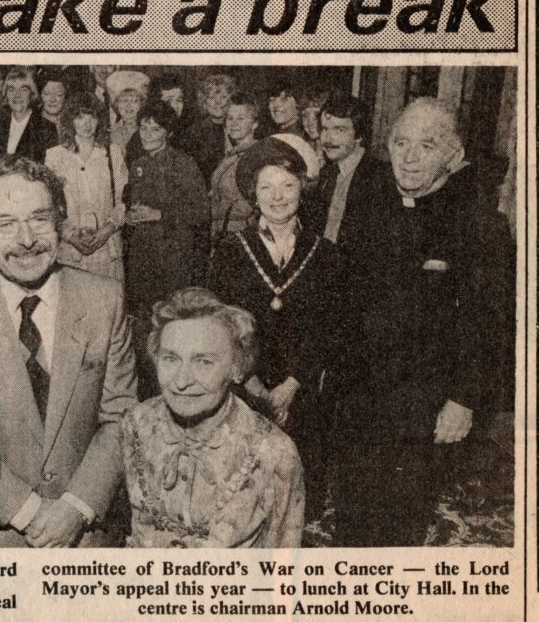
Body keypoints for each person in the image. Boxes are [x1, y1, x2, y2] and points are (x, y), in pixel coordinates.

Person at [0, 156, 137, 547]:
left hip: (85, 537)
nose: (26, 240)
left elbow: (121, 415)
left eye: (39, 219)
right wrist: (28, 511)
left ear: (60, 221)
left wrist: (75, 507)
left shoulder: (105, 300)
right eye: (5, 223)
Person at [333, 98, 513, 547]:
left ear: (453, 157)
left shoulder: (480, 224)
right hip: (361, 390)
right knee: (352, 510)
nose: (409, 157)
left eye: (427, 145)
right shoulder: (372, 202)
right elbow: (347, 294)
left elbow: (488, 323)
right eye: (400, 142)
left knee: (399, 517)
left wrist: (463, 399)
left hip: (425, 402)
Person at [207, 134, 346, 520]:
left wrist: (290, 387)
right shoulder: (232, 250)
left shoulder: (327, 255)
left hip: (301, 392)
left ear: (303, 186)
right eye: (267, 187)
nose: (278, 196)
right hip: (245, 389)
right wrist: (252, 385)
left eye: (288, 185)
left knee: (296, 506)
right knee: (243, 503)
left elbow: (329, 328)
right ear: (254, 193)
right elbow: (221, 323)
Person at [122, 287, 305, 548]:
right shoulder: (135, 424)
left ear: (238, 368)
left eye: (203, 362)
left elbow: (283, 570)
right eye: (171, 359)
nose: (182, 381)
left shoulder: (275, 453)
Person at [124, 100, 210, 323]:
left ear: (168, 133)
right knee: (144, 322)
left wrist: (160, 215)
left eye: (155, 129)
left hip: (173, 258)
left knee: (173, 321)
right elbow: (135, 205)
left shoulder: (184, 163)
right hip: (143, 258)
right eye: (143, 128)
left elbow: (201, 212)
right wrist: (131, 217)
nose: (147, 135)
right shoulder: (137, 165)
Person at [44, 93, 128, 282]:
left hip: (107, 250)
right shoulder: (55, 157)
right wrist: (71, 235)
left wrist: (106, 230)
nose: (87, 123)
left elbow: (124, 200)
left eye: (92, 117)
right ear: (70, 121)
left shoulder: (112, 153)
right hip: (70, 252)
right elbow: (48, 205)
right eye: (80, 117)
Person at [305, 94, 385, 250]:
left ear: (359, 135)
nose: (328, 138)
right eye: (325, 129)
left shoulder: (378, 177)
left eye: (340, 130)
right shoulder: (326, 174)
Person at [209, 94, 260, 247]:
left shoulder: (258, 156)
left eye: (241, 118)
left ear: (255, 124)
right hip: (222, 235)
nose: (234, 123)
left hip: (243, 237)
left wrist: (206, 208)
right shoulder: (230, 155)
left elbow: (250, 206)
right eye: (230, 118)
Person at [0, 67, 58, 163]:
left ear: (32, 93)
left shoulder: (47, 128)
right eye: (11, 90)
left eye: (23, 89)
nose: (17, 95)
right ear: (6, 95)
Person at [187, 72, 237, 183]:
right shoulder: (195, 133)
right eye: (212, 97)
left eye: (223, 97)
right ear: (204, 102)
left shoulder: (238, 126)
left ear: (231, 100)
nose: (218, 102)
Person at [106, 70, 149, 165]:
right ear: (116, 104)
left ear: (141, 105)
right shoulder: (110, 133)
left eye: (134, 101)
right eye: (124, 100)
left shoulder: (148, 129)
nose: (128, 106)